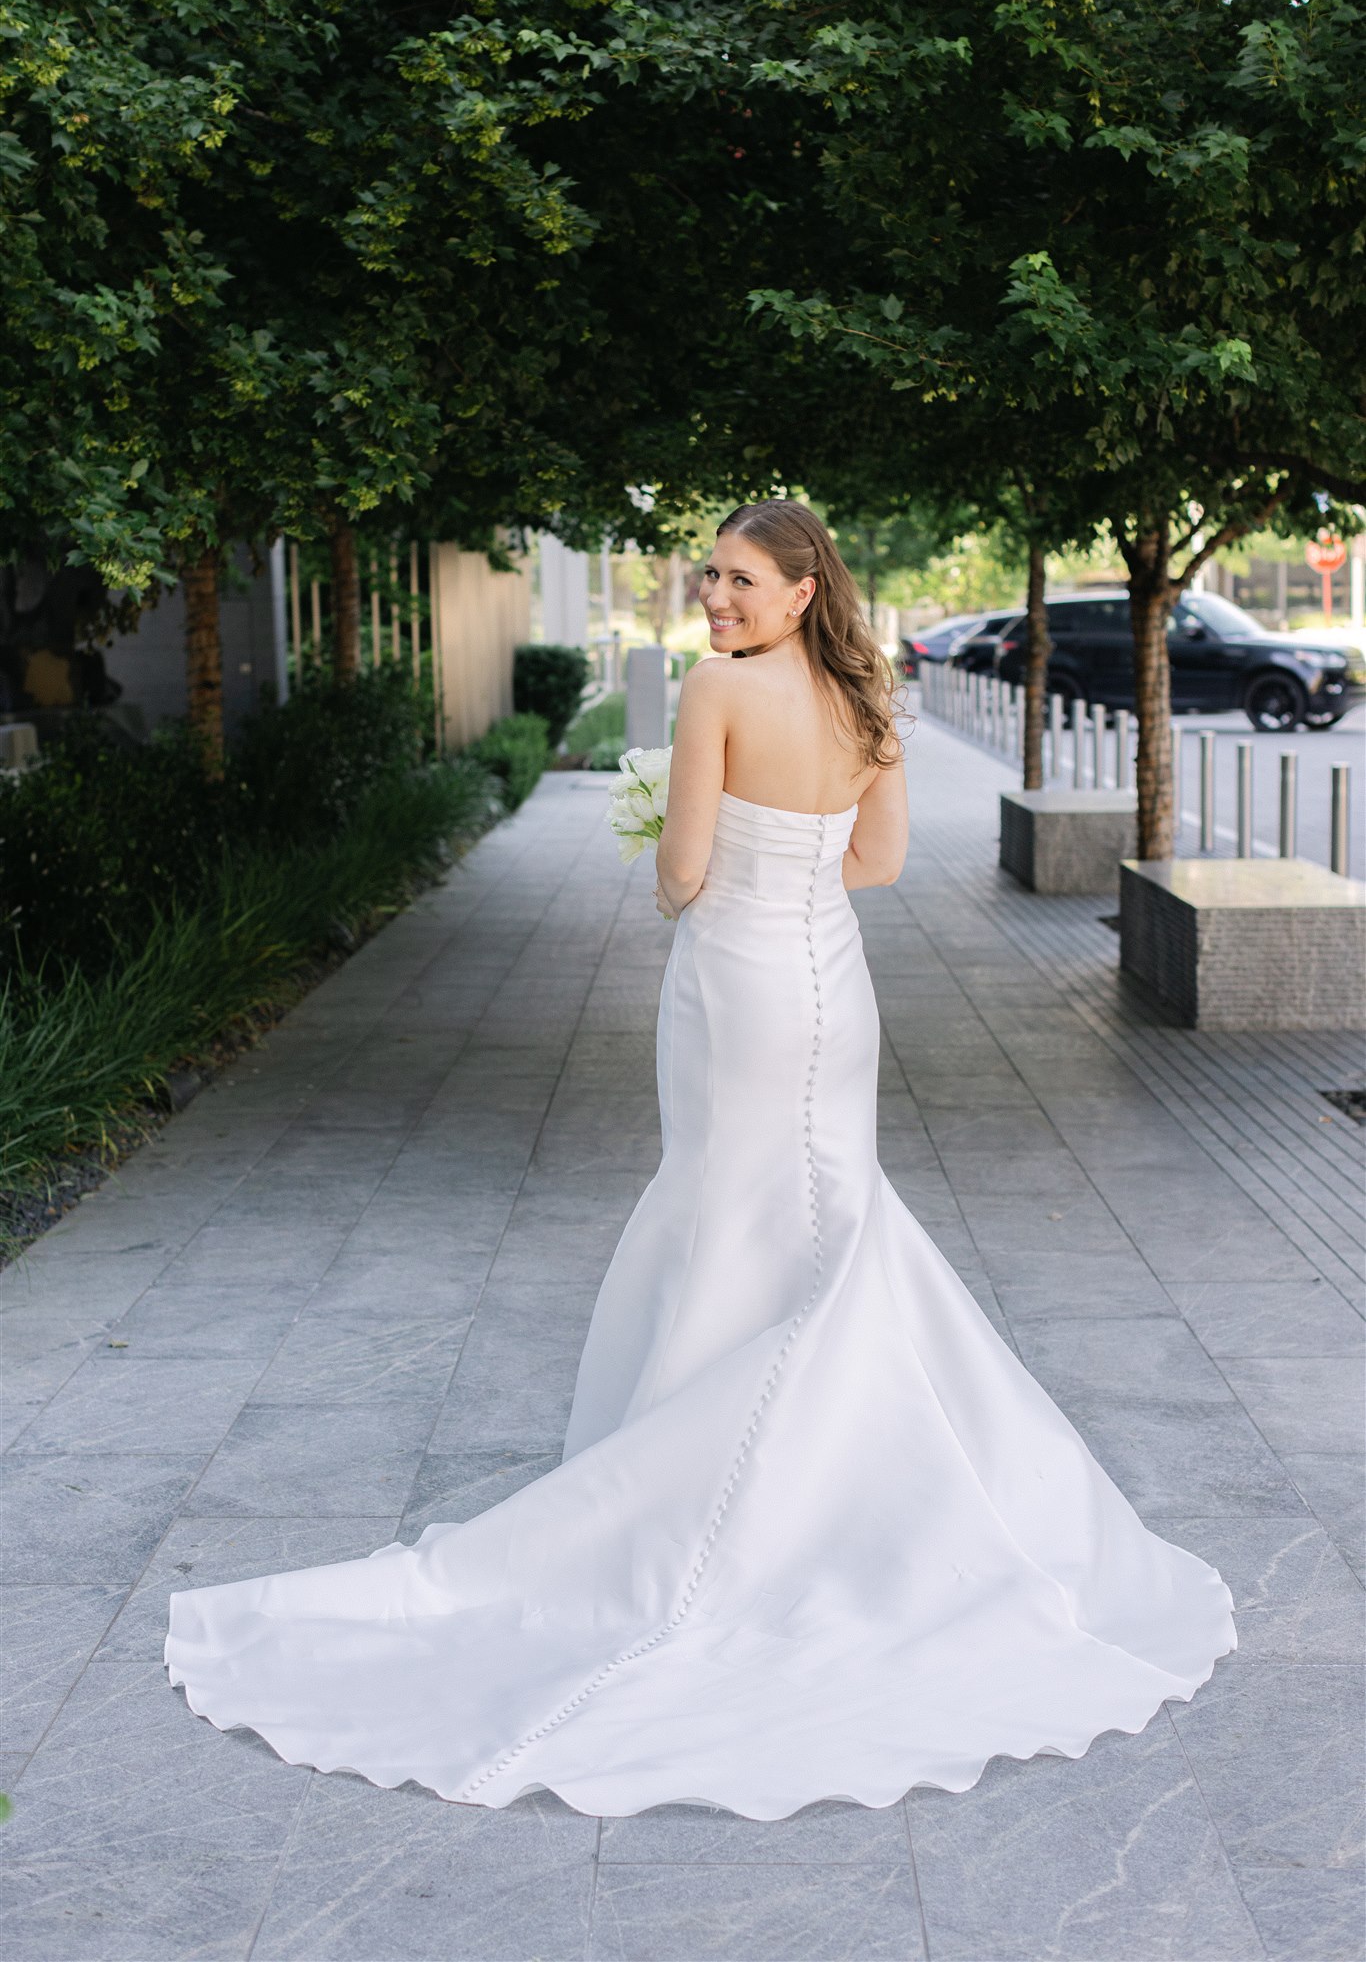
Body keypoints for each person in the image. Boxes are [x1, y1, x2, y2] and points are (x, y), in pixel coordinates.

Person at [166, 500, 1235, 1819]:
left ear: (797, 590)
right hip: (828, 983)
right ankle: (848, 1484)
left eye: (736, 579)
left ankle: (709, 1489)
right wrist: (785, 879)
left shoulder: (716, 694)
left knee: (729, 1206)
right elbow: (880, 861)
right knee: (816, 1211)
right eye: (707, 577)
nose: (712, 597)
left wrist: (692, 871)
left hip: (734, 982)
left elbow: (678, 868)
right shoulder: (867, 690)